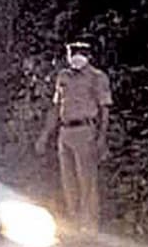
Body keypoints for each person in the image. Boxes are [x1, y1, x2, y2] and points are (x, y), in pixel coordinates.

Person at [35, 41, 113, 235]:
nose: (75, 57)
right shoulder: (63, 76)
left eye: (80, 53)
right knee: (68, 181)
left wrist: (101, 138)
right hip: (65, 131)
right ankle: (75, 223)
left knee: (87, 181)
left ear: (88, 55)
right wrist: (45, 135)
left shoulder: (97, 77)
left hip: (85, 130)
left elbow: (105, 109)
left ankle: (91, 226)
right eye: (72, 53)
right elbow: (56, 106)